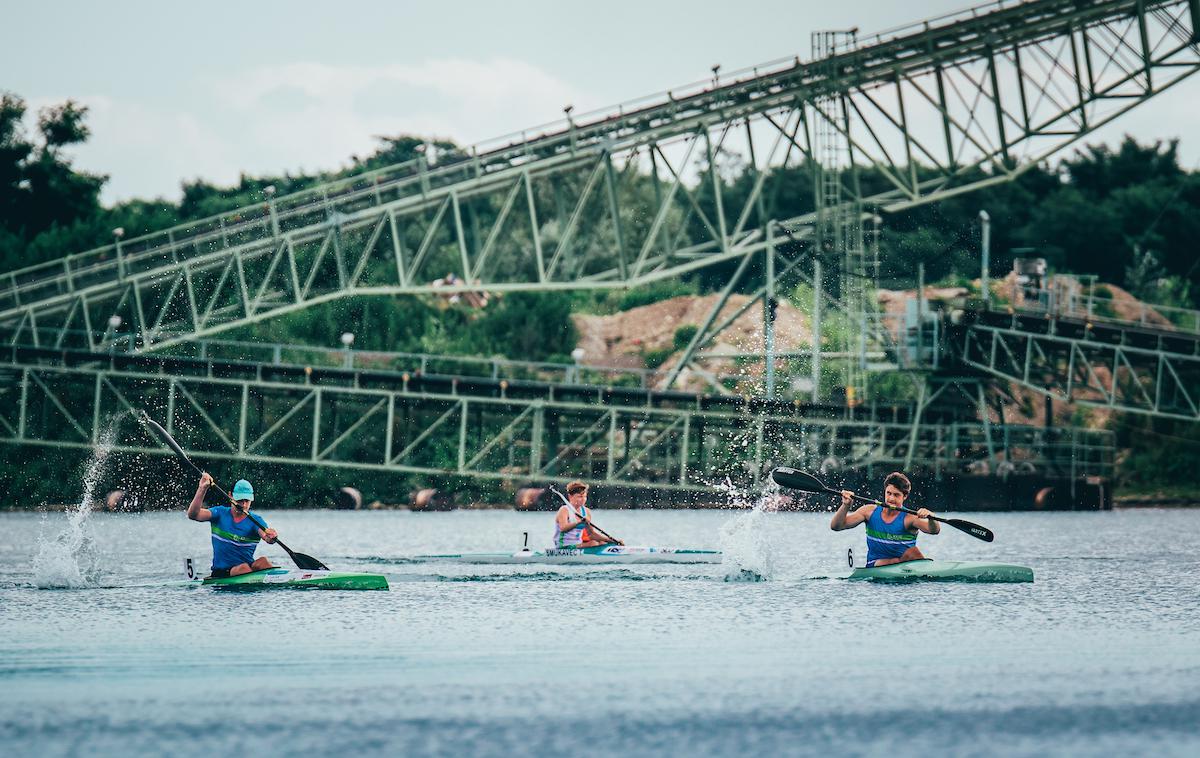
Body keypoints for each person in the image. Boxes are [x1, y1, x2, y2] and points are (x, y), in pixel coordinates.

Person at [829, 471, 939, 567]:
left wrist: (931, 517)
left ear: (904, 496)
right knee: (908, 555)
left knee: (913, 552)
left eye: (896, 495)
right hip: (876, 565)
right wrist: (846, 505)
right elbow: (836, 526)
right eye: (889, 493)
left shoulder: (910, 518)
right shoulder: (868, 512)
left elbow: (934, 530)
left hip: (907, 567)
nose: (891, 499)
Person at [187, 473, 278, 577]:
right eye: (240, 500)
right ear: (230, 495)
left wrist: (272, 537)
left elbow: (266, 537)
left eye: (247, 501)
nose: (243, 505)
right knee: (244, 568)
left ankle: (279, 581)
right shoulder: (219, 513)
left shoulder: (255, 520)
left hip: (246, 569)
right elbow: (194, 515)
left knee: (263, 561)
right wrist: (202, 489)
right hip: (222, 572)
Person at [554, 481, 622, 548]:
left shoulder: (586, 511)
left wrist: (612, 540)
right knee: (593, 543)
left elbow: (591, 534)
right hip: (563, 546)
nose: (583, 499)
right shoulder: (564, 510)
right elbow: (563, 528)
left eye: (585, 497)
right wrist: (579, 522)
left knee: (603, 542)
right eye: (580, 497)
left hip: (578, 544)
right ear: (570, 497)